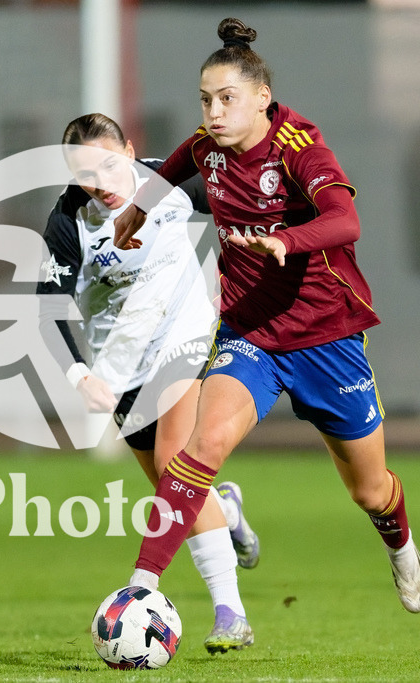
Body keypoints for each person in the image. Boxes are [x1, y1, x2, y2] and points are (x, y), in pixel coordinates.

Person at [113, 18, 420, 616]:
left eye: (227, 98)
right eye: (206, 99)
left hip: (325, 337)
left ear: (262, 98)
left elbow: (346, 221)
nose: (213, 111)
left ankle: (402, 546)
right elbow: (182, 158)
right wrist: (140, 203)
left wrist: (291, 239)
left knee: (369, 489)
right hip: (250, 333)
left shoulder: (299, 148)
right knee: (202, 447)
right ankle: (143, 589)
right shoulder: (209, 147)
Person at [37, 113, 260, 653]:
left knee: (172, 466)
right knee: (173, 493)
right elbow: (47, 311)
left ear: (131, 151)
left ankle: (231, 613)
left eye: (110, 166)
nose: (101, 183)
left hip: (185, 339)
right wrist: (78, 373)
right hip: (123, 368)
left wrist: (241, 273)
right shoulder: (68, 223)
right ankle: (224, 508)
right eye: (84, 173)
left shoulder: (172, 183)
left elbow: (244, 210)